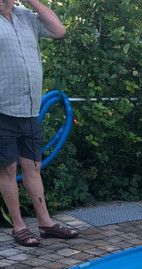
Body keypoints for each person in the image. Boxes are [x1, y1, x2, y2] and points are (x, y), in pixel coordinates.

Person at [0, 0, 78, 246]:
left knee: (33, 167)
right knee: (7, 171)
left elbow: (59, 30)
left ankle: (45, 223)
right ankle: (19, 226)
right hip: (2, 110)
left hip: (30, 108)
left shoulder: (25, 16)